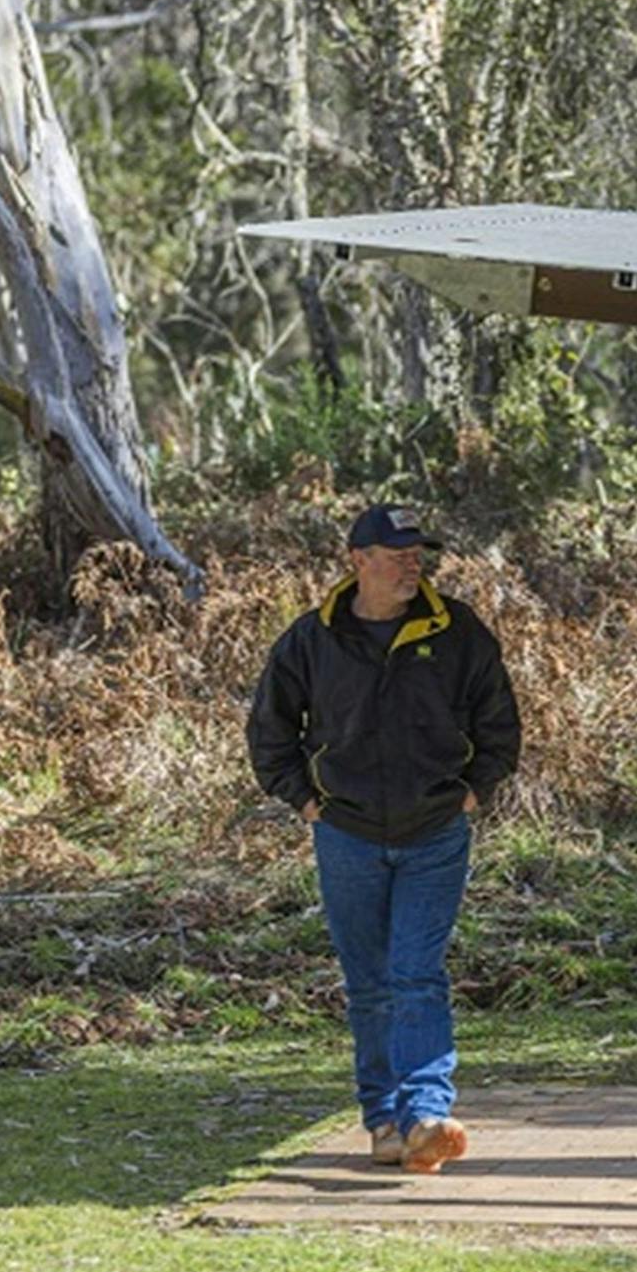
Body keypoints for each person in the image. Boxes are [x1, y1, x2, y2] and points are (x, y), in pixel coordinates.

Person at [247, 503, 521, 1174]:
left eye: (418, 553)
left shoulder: (458, 633)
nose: (412, 564)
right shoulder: (311, 640)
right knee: (369, 983)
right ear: (357, 560)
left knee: (415, 974)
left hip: (435, 833)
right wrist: (304, 801)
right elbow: (270, 732)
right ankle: (385, 1122)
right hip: (345, 835)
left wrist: (472, 790)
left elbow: (500, 724)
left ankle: (428, 1113)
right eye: (396, 553)